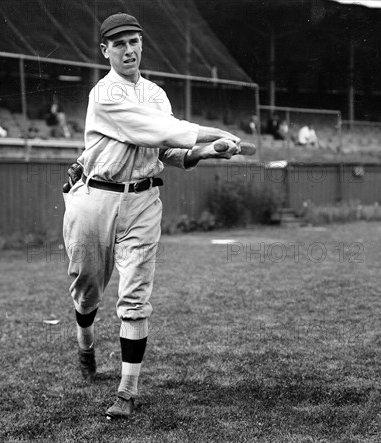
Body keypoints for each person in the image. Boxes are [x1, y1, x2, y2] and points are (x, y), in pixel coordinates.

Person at [62, 12, 249, 420]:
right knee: (87, 287)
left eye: (134, 41)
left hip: (143, 200)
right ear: (105, 50)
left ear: (142, 45)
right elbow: (157, 130)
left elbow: (168, 152)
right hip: (95, 197)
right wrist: (214, 132)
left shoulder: (157, 95)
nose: (129, 50)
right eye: (119, 43)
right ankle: (86, 341)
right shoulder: (104, 95)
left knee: (135, 297)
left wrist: (208, 151)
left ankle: (126, 391)